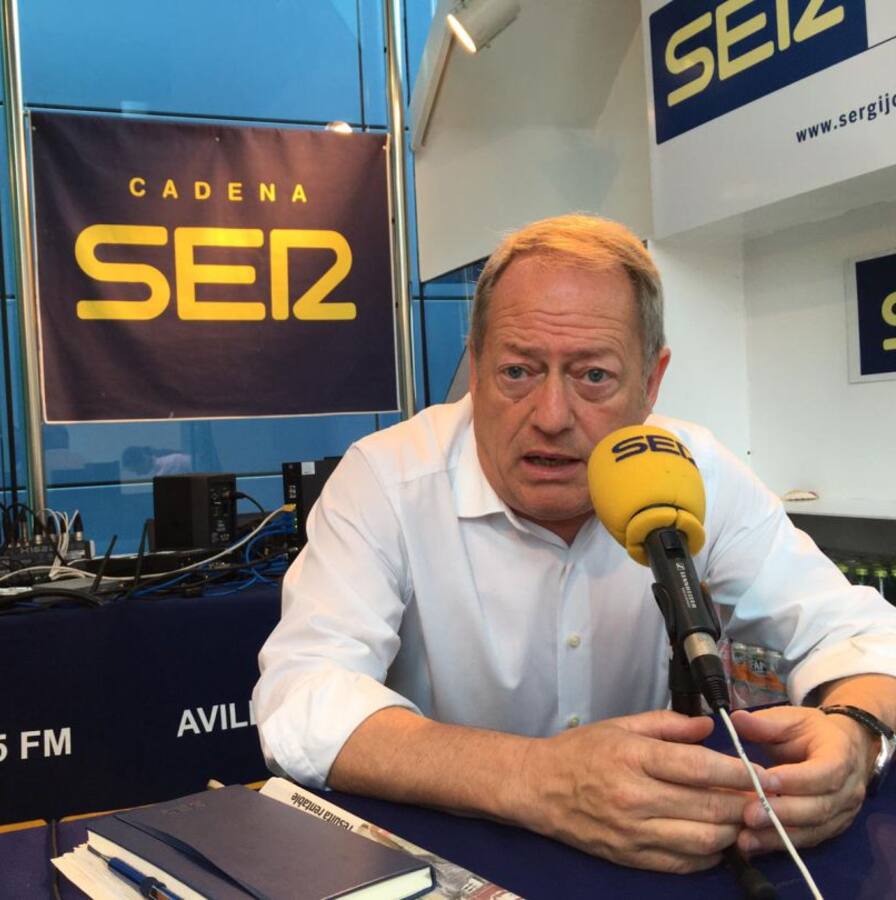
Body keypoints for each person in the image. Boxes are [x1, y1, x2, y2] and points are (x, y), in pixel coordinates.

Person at [252, 214, 896, 873]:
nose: (552, 416)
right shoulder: (387, 479)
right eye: (517, 371)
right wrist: (533, 777)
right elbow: (302, 698)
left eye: (593, 376)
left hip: (645, 867)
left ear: (651, 382)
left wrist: (858, 733)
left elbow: (862, 635)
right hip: (448, 859)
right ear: (475, 368)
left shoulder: (695, 471)